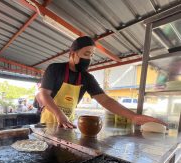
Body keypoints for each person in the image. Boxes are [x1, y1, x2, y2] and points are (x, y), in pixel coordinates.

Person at [36, 36, 165, 129]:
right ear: (73, 54)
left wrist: (133, 117)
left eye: (91, 55)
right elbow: (44, 94)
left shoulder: (87, 78)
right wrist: (59, 114)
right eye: (86, 54)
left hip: (67, 123)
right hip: (47, 122)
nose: (89, 59)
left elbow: (105, 100)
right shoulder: (55, 69)